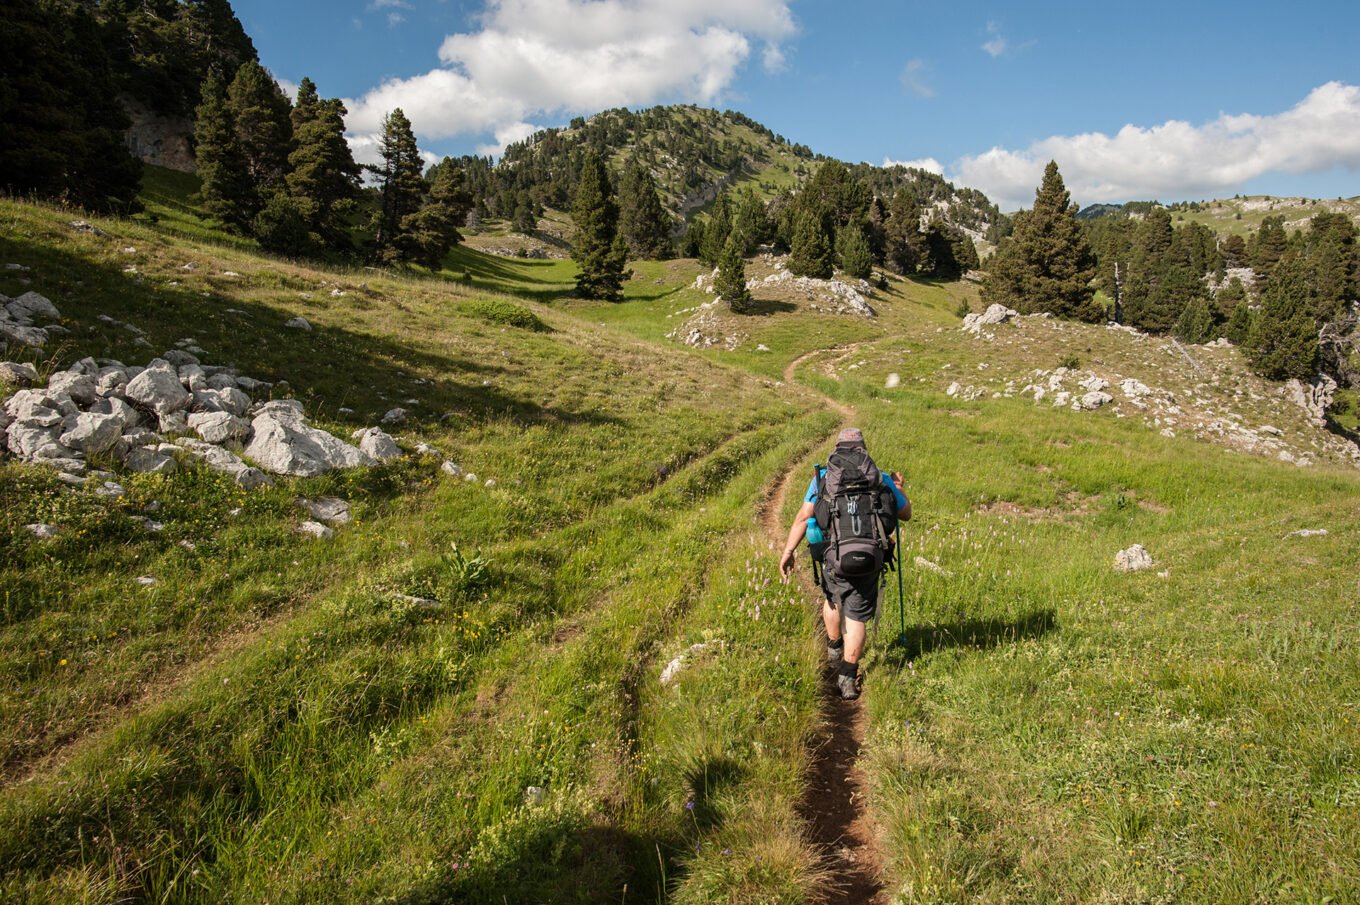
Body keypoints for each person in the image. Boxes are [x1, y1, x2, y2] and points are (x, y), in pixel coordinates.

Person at [779, 427, 910, 700]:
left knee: (833, 601)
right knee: (858, 615)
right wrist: (898, 489)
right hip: (871, 557)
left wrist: (788, 550)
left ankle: (834, 647)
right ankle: (848, 677)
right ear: (863, 449)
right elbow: (905, 513)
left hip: (835, 557)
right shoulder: (880, 477)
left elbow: (804, 517)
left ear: (837, 448)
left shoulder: (824, 478)